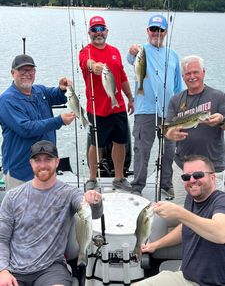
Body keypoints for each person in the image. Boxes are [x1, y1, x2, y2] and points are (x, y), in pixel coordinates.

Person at [0, 140, 103, 286]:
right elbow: (2, 239)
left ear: (57, 162)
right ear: (31, 163)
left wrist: (95, 201)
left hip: (51, 269)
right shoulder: (12, 197)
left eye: (48, 159)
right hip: (14, 270)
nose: (43, 165)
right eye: (38, 160)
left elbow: (93, 213)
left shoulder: (69, 193)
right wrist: (2, 271)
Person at [133, 155, 225, 286]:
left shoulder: (221, 201)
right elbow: (186, 227)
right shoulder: (191, 199)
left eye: (198, 175)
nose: (192, 180)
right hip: (185, 277)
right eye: (186, 177)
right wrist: (155, 245)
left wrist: (179, 213)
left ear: (213, 177)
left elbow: (221, 234)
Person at [0, 54, 76, 190]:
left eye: (31, 70)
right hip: (20, 172)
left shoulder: (40, 91)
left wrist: (62, 89)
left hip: (45, 168)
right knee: (22, 210)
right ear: (13, 73)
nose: (27, 74)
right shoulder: (6, 100)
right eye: (22, 70)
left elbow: (56, 95)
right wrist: (59, 121)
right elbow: (26, 128)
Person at [127, 14, 183, 196]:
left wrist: (181, 110)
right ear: (147, 31)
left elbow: (178, 88)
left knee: (169, 150)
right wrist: (132, 51)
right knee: (142, 150)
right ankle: (137, 186)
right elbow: (129, 58)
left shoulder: (173, 55)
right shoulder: (141, 50)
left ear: (166, 32)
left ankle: (166, 183)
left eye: (160, 30)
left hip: (169, 112)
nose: (156, 33)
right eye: (153, 29)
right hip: (145, 110)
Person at [79, 15, 134, 191]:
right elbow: (87, 63)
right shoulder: (85, 51)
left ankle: (119, 178)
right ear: (89, 33)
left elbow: (122, 77)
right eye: (94, 30)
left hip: (118, 106)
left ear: (107, 31)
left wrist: (130, 98)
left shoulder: (115, 51)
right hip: (97, 109)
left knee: (120, 142)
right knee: (96, 144)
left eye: (101, 29)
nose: (98, 33)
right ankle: (92, 179)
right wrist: (94, 66)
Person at [166, 55, 225, 205]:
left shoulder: (218, 96)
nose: (192, 77)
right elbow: (167, 129)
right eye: (188, 74)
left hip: (213, 168)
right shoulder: (175, 100)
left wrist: (221, 121)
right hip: (183, 168)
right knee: (181, 209)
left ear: (203, 72)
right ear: (183, 77)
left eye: (196, 72)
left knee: (215, 213)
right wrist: (170, 133)